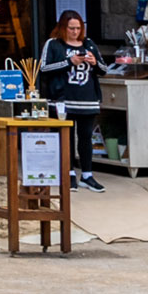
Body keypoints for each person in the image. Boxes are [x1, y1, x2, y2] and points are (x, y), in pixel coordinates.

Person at [37, 10, 107, 191]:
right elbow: (43, 68)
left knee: (85, 137)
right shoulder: (53, 44)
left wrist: (94, 63)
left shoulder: (89, 44)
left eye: (78, 28)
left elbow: (104, 68)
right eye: (71, 28)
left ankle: (87, 174)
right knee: (64, 136)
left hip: (87, 99)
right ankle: (68, 173)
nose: (75, 32)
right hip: (62, 99)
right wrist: (69, 61)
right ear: (63, 27)